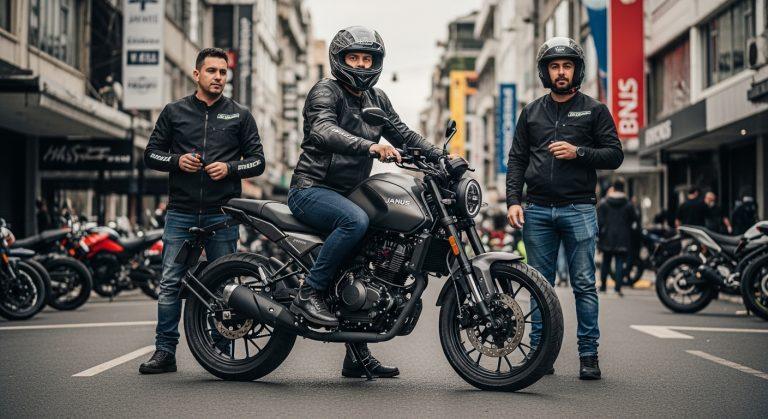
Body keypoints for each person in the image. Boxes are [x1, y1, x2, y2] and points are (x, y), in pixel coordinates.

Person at [288, 26, 445, 378]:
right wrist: (369, 146)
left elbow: (404, 134)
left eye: (367, 58)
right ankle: (309, 292)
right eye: (354, 58)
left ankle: (356, 355)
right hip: (311, 188)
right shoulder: (324, 91)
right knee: (355, 222)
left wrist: (442, 157)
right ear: (339, 60)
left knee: (364, 265)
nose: (361, 64)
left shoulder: (377, 98)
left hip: (349, 193)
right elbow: (323, 130)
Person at [139, 47, 266, 374]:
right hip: (181, 212)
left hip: (222, 214)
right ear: (197, 74)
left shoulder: (240, 114)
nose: (218, 78)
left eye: (223, 72)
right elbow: (151, 155)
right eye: (212, 71)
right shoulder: (174, 111)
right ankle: (164, 352)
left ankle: (219, 351)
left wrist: (230, 168)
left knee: (223, 284)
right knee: (170, 283)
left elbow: (258, 162)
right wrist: (177, 162)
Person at [506, 37, 624, 380]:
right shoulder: (530, 112)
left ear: (577, 70)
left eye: (567, 65)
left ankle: (589, 355)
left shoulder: (595, 109)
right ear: (546, 71)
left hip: (579, 209)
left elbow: (614, 155)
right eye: (555, 66)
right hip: (537, 210)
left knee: (585, 284)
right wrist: (514, 200)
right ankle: (540, 356)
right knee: (538, 286)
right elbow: (517, 160)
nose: (561, 72)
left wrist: (579, 152)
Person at [597, 179, 637, 296]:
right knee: (619, 262)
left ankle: (603, 287)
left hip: (607, 237)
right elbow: (634, 220)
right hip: (623, 237)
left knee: (606, 262)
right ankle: (617, 288)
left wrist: (599, 237)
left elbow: (599, 222)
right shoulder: (628, 204)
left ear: (613, 188)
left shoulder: (604, 203)